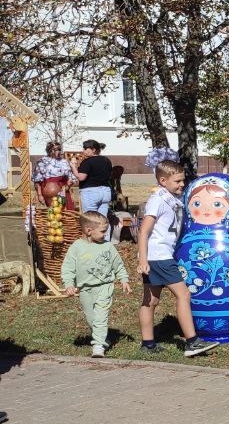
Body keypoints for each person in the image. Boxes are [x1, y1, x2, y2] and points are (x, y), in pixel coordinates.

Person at [136, 160, 219, 357]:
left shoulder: (170, 198)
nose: (182, 184)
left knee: (151, 300)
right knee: (184, 295)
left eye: (183, 180)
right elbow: (144, 230)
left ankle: (148, 343)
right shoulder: (157, 199)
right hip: (159, 257)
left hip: (157, 256)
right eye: (178, 181)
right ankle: (192, 342)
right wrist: (143, 260)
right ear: (163, 180)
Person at [61, 211, 132, 357]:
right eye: (102, 231)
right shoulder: (76, 247)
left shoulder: (108, 247)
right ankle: (102, 337)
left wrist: (124, 279)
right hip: (85, 290)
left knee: (100, 317)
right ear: (88, 231)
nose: (105, 235)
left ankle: (98, 346)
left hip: (104, 287)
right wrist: (68, 284)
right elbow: (68, 268)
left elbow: (118, 265)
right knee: (91, 318)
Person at [75, 139, 114, 235]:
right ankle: (104, 242)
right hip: (105, 191)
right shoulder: (106, 160)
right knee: (103, 219)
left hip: (91, 192)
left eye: (85, 148)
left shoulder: (87, 161)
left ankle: (92, 243)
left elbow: (81, 177)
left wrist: (73, 167)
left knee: (90, 219)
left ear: (93, 149)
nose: (83, 151)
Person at [34, 141, 76, 208]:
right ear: (49, 150)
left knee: (64, 215)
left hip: (63, 194)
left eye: (59, 150)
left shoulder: (64, 162)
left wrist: (68, 186)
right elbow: (37, 181)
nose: (58, 152)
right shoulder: (42, 162)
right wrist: (39, 195)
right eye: (56, 150)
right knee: (51, 215)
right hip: (48, 196)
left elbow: (71, 177)